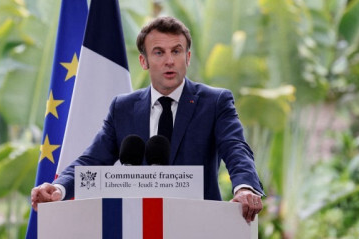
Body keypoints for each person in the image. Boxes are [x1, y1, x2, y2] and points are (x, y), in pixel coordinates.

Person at [31, 16, 265, 222]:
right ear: (144, 61)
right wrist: (59, 187)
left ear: (188, 57)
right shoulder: (122, 108)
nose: (169, 61)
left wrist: (244, 187)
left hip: (198, 225)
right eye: (159, 52)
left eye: (176, 51)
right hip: (137, 225)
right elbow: (92, 159)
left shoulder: (215, 102)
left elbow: (236, 148)